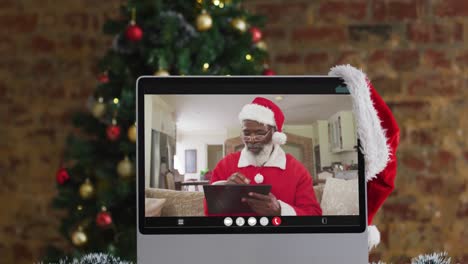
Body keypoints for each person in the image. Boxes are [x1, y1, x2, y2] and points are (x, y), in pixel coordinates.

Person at [204, 97, 322, 216]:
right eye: (246, 133)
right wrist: (225, 194)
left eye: (260, 133)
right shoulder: (225, 165)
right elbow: (209, 213)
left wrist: (280, 210)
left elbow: (314, 215)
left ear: (275, 134)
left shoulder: (297, 170)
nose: (252, 139)